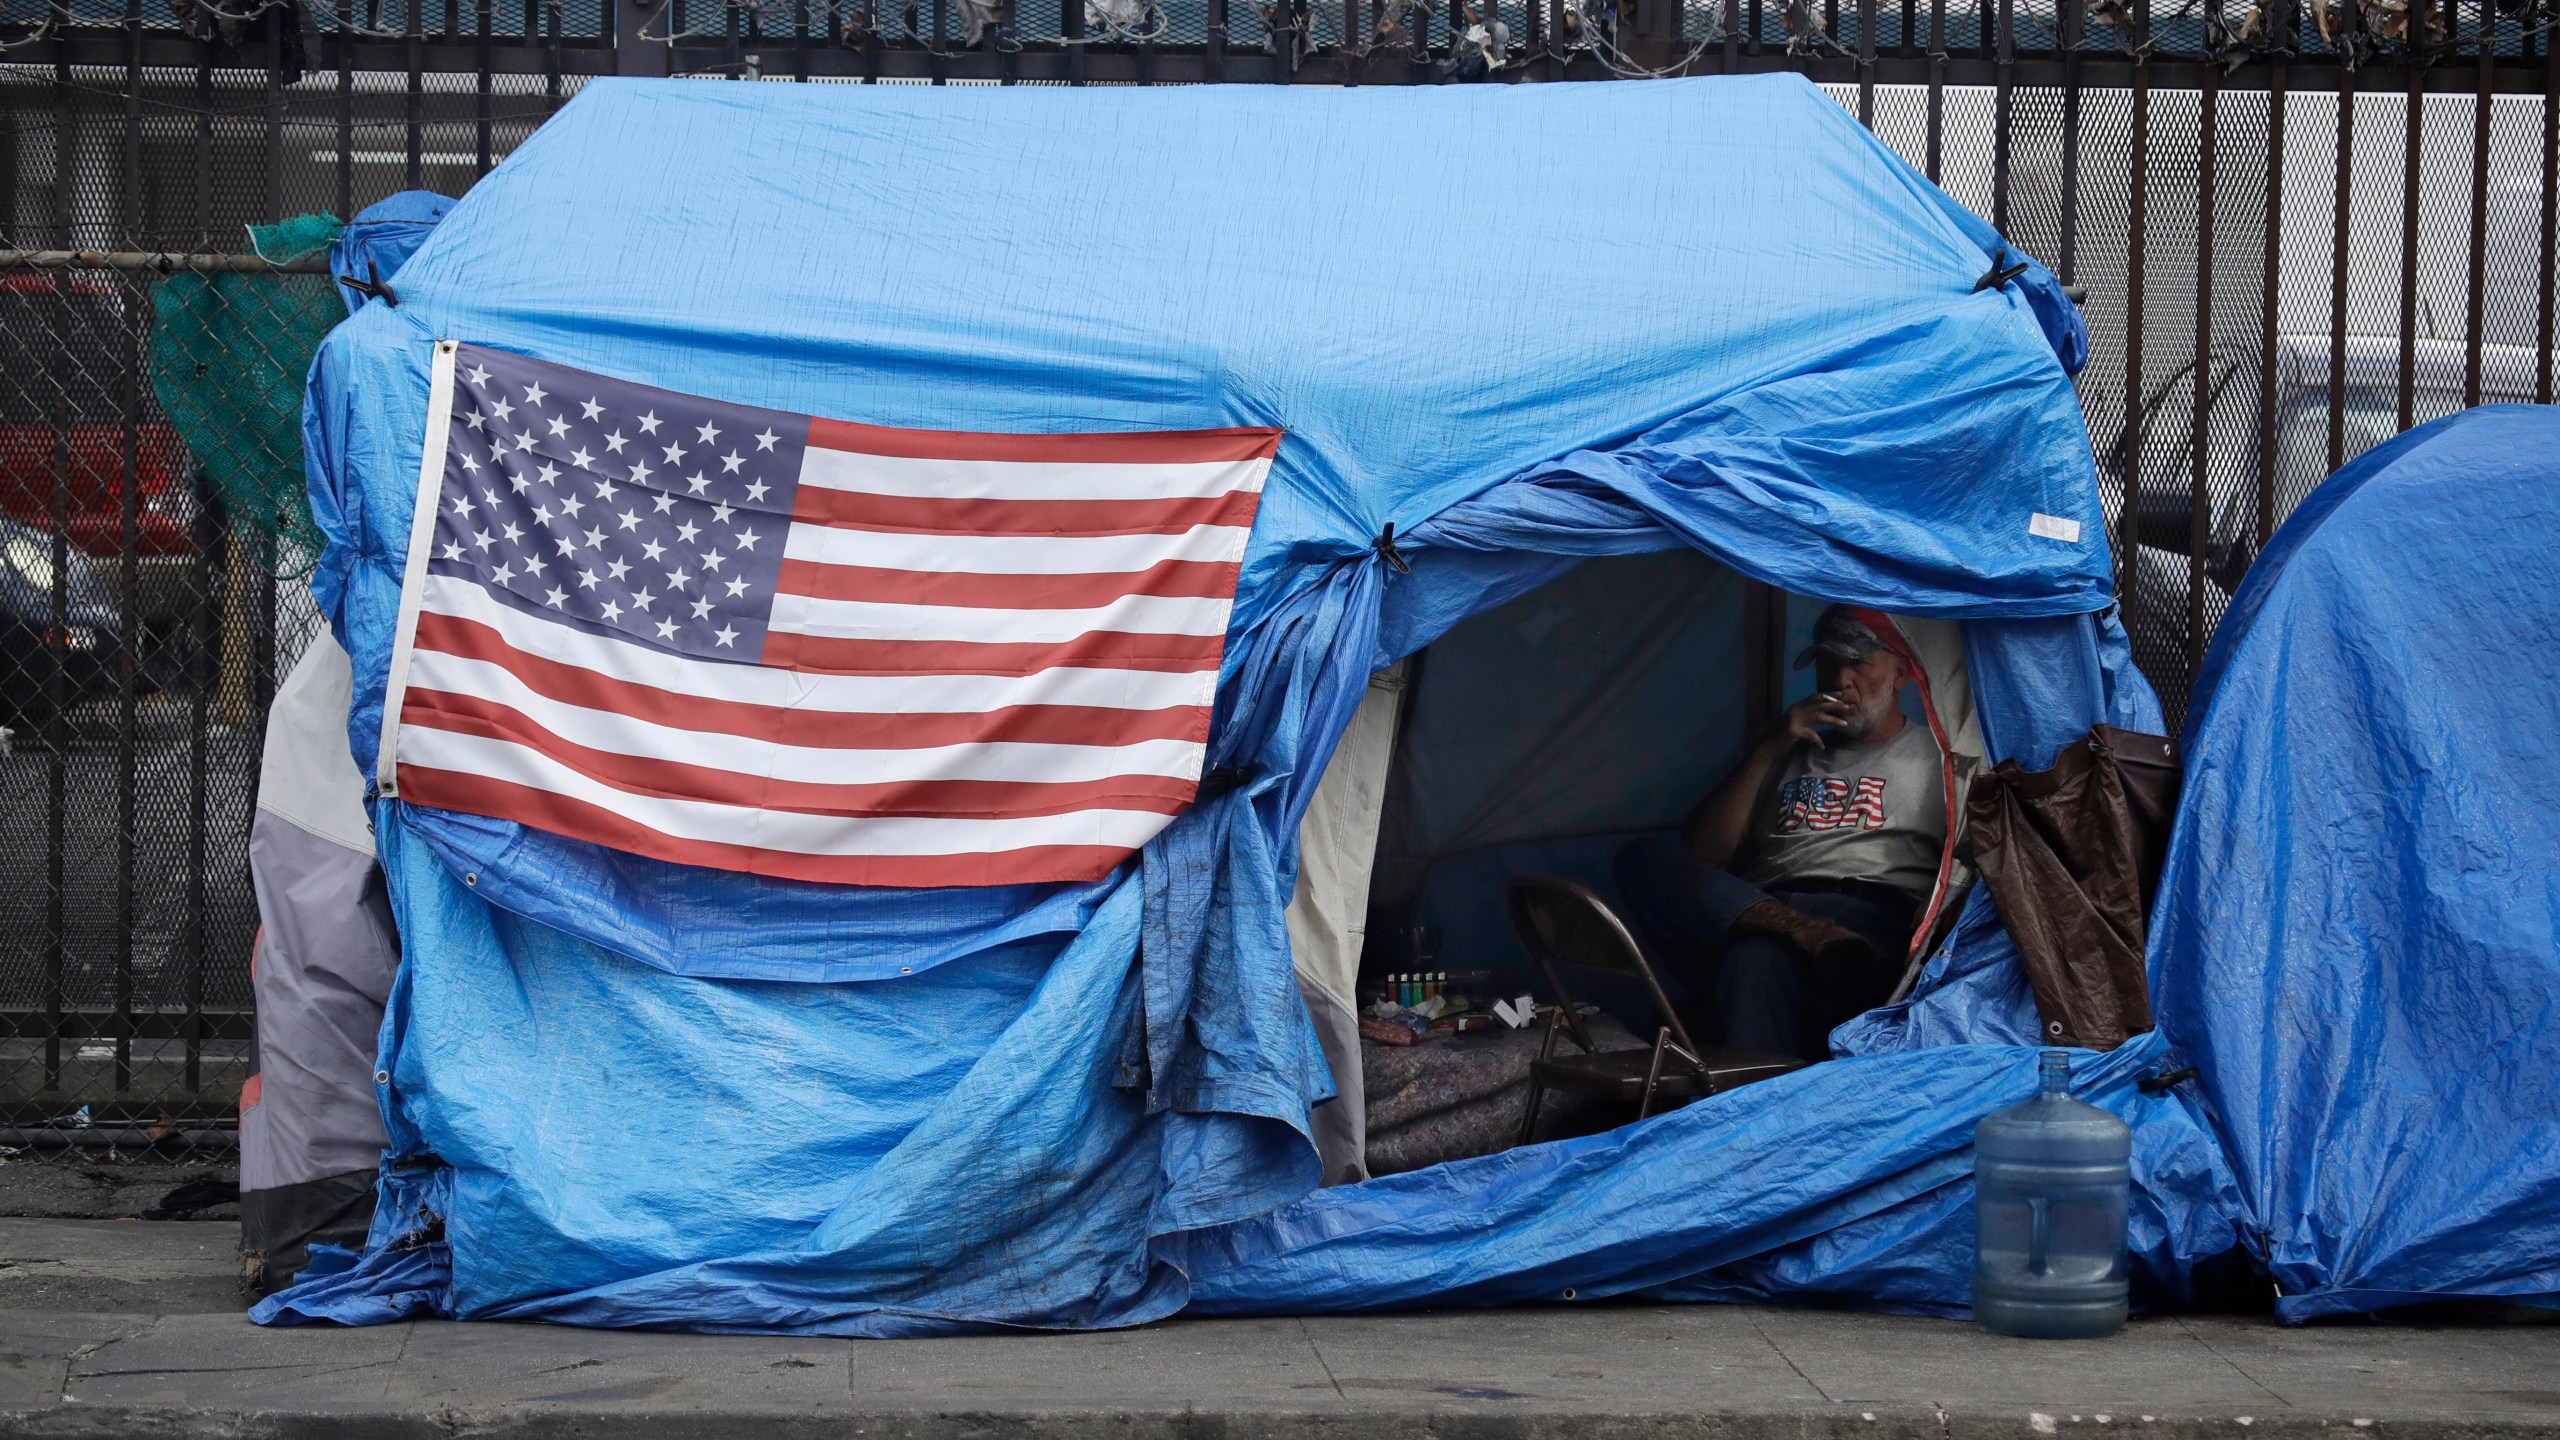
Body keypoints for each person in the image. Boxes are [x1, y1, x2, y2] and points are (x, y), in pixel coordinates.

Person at [1613, 605, 1975, 1062]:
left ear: (1901, 672)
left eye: (1859, 663)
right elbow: (1705, 854)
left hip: (1866, 921)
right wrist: (1769, 747)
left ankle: (1750, 1117)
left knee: (1758, 955)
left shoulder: (1939, 757)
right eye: (1828, 663)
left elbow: (1973, 860)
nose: (1840, 679)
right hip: (1761, 909)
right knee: (1640, 859)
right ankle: (1805, 932)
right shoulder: (1785, 749)